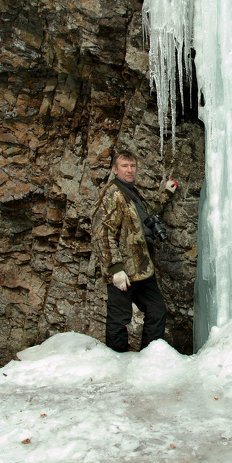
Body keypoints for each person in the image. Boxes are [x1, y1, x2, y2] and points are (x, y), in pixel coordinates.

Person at [91, 149, 178, 352]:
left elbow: (145, 215)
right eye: (124, 166)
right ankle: (116, 361)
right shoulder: (112, 193)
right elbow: (102, 232)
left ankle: (149, 356)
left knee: (156, 309)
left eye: (132, 166)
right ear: (114, 169)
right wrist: (115, 269)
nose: (130, 170)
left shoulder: (132, 192)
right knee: (119, 318)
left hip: (142, 266)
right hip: (124, 270)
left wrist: (165, 193)